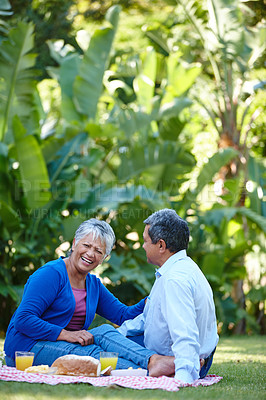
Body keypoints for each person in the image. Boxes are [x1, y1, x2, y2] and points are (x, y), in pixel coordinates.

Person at [4, 218, 174, 376]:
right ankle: (155, 368)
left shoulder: (93, 284)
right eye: (86, 245)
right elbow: (23, 319)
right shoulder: (51, 274)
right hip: (27, 347)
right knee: (90, 355)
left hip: (66, 346)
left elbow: (123, 315)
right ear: (74, 244)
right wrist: (65, 334)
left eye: (98, 251)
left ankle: (155, 361)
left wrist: (151, 299)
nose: (90, 254)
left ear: (104, 258)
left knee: (106, 331)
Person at [118, 209, 219, 383]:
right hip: (186, 355)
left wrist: (184, 375)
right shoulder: (180, 268)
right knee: (109, 338)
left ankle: (170, 366)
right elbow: (149, 318)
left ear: (161, 246)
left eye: (145, 241)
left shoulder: (175, 280)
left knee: (101, 351)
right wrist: (118, 333)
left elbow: (184, 331)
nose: (143, 246)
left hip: (183, 360)